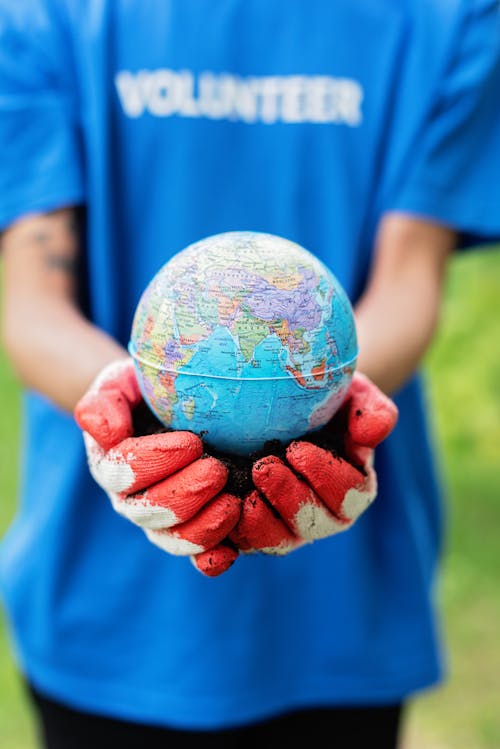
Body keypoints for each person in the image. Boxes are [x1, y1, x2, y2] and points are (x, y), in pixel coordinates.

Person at [1, 1, 499, 747]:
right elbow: (32, 300)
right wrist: (125, 407)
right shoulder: (41, 13)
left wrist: (334, 401)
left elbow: (409, 282)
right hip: (106, 603)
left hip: (335, 608)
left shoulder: (452, 15)